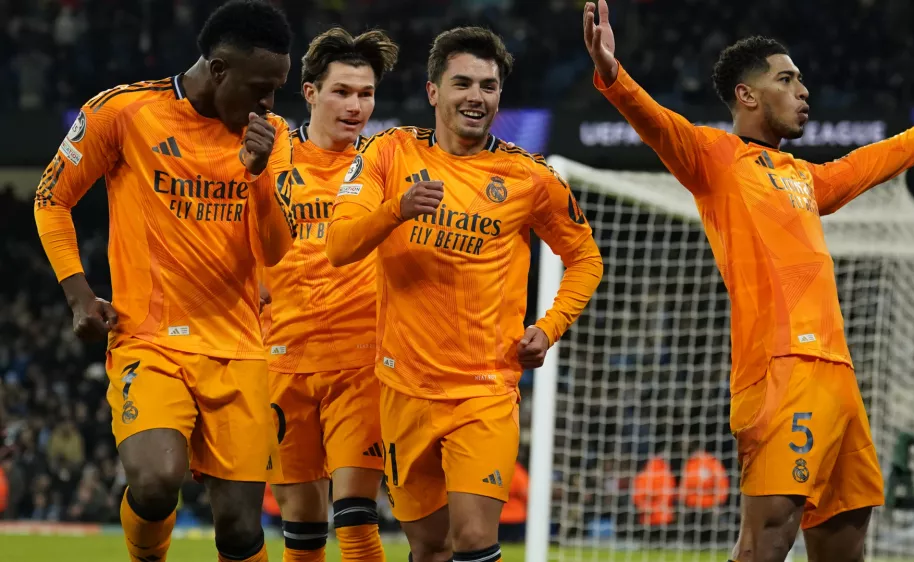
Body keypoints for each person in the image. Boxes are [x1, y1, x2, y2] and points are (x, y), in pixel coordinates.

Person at [582, 1, 914, 561]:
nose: (804, 91)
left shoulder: (802, 177)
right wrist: (612, 76)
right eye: (787, 79)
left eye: (802, 81)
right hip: (779, 369)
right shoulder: (714, 158)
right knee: (767, 541)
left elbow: (858, 168)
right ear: (747, 95)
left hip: (838, 375)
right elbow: (657, 122)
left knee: (845, 542)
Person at [326, 26, 604, 562]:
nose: (477, 97)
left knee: (475, 540)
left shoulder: (529, 176)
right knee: (430, 546)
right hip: (402, 386)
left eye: (489, 86)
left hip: (484, 388)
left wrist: (549, 329)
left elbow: (585, 258)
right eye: (463, 83)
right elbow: (338, 247)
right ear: (434, 91)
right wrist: (396, 211)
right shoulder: (390, 152)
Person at [33, 1, 297, 560]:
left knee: (241, 531)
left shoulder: (271, 136)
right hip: (149, 340)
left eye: (277, 89)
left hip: (239, 349)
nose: (270, 103)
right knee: (154, 483)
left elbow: (277, 249)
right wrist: (78, 294)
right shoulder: (125, 112)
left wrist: (259, 178)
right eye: (260, 87)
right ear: (219, 69)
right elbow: (51, 198)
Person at [260, 27, 399, 562]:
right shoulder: (272, 152)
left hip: (360, 361)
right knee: (300, 525)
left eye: (365, 94)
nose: (356, 105)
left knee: (356, 518)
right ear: (311, 92)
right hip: (282, 359)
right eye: (342, 91)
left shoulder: (384, 166)